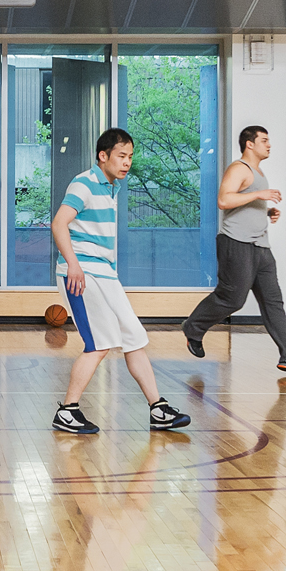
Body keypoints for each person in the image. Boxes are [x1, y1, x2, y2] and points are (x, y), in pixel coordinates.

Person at [49, 128, 193, 437]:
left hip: (106, 275)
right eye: (121, 156)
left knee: (134, 338)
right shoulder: (84, 183)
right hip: (83, 275)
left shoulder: (111, 187)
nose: (127, 163)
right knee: (98, 344)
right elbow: (58, 223)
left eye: (130, 157)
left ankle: (158, 409)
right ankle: (67, 411)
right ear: (103, 156)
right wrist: (73, 265)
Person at [179, 123, 286, 375]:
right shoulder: (238, 168)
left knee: (273, 302)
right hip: (236, 243)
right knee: (232, 299)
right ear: (249, 144)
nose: (269, 144)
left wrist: (267, 210)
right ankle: (193, 328)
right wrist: (259, 196)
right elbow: (224, 200)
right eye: (264, 140)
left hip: (260, 246)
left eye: (269, 140)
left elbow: (244, 202)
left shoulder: (258, 172)